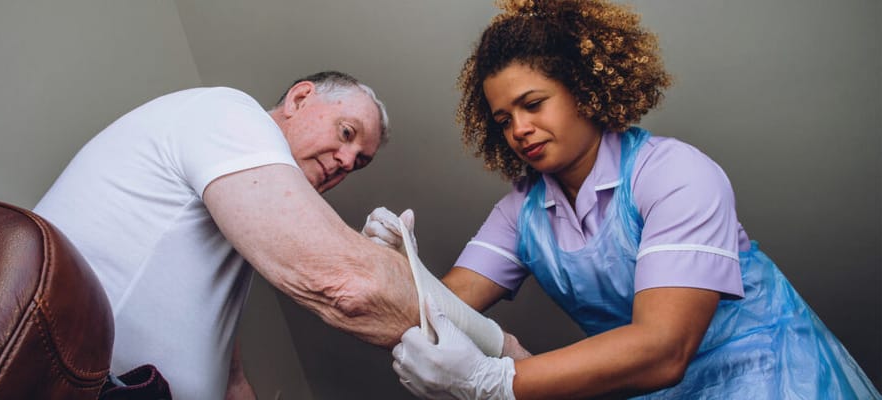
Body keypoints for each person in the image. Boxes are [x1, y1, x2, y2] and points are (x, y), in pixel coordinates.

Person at [365, 1, 882, 398]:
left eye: (533, 104)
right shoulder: (520, 213)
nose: (519, 129)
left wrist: (497, 383)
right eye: (503, 120)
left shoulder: (676, 174)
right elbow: (446, 307)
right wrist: (396, 266)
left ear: (584, 89)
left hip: (772, 378)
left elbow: (664, 349)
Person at [33, 71, 422, 399]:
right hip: (74, 382)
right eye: (346, 132)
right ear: (300, 98)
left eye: (360, 162)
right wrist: (391, 272)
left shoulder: (240, 208)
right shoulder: (229, 113)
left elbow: (225, 359)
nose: (347, 160)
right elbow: (347, 287)